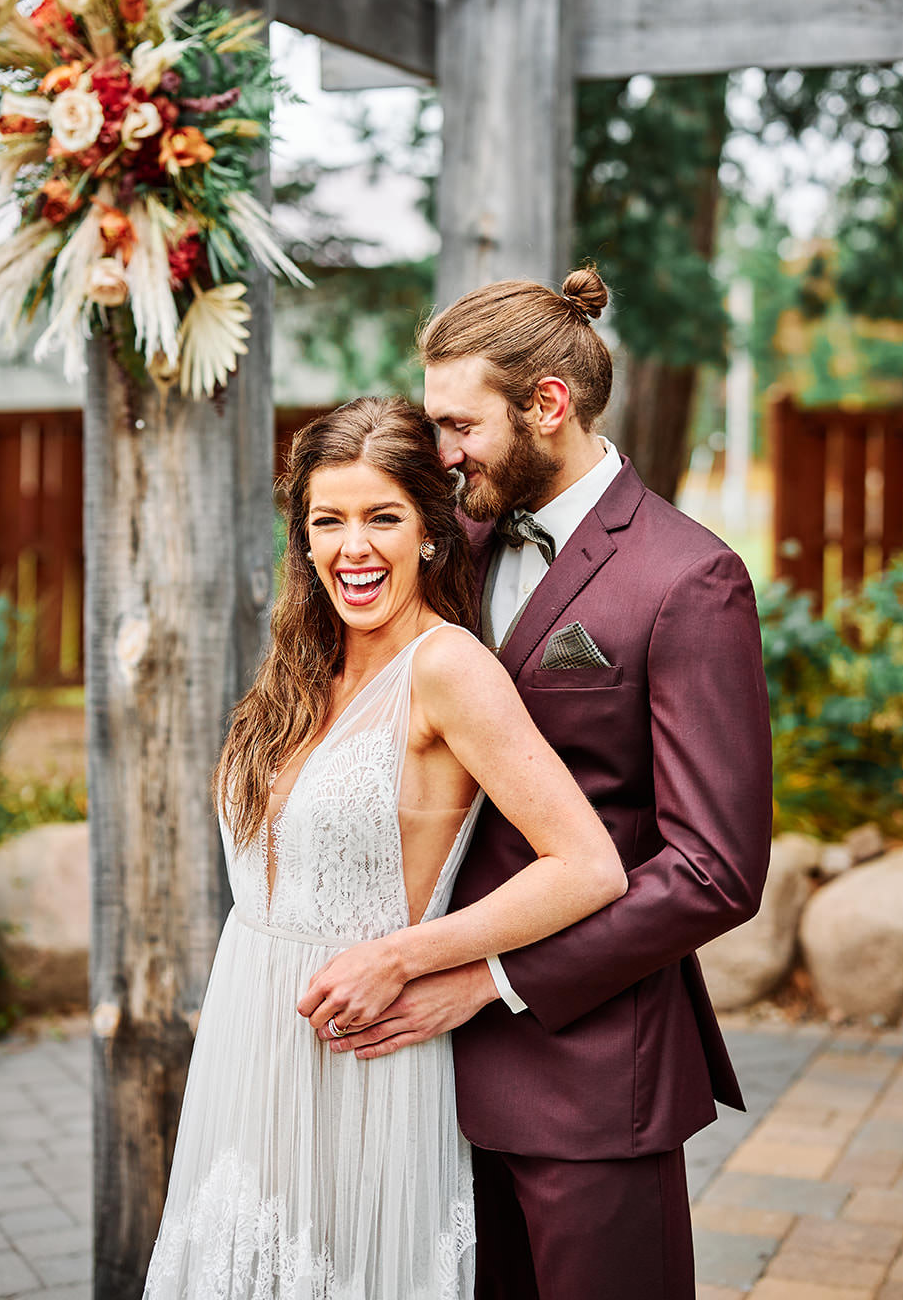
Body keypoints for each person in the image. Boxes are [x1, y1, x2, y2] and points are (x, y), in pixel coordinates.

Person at [321, 270, 774, 1300]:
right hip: (423, 1081)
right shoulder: (449, 552)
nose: (437, 452)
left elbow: (712, 870)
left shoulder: (686, 579)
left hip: (587, 1074)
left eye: (454, 423)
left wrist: (489, 981)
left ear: (547, 405)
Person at [142, 396, 627, 1300]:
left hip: (365, 1051)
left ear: (430, 533)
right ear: (303, 534)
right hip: (251, 1040)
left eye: (382, 518)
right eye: (328, 519)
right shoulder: (300, 661)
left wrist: (406, 958)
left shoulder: (446, 668)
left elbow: (587, 866)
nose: (352, 547)